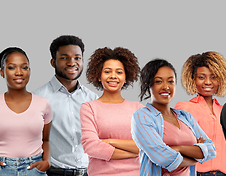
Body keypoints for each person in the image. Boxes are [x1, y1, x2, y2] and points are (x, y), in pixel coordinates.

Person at [132, 59, 216, 176]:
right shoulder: (142, 117)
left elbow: (211, 149)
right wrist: (194, 156)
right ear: (148, 84)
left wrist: (178, 148)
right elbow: (161, 157)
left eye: (171, 81)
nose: (166, 87)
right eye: (158, 81)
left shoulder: (185, 116)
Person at [32, 35, 97, 176]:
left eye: (77, 58)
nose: (71, 62)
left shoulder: (93, 99)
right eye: (64, 58)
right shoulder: (38, 98)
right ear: (52, 62)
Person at [0, 47, 52, 176]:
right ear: (2, 72)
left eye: (24, 67)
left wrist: (47, 162)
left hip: (34, 168)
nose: (19, 72)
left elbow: (46, 140)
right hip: (1, 168)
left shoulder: (43, 104)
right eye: (11, 67)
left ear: (29, 71)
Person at [79, 47, 143, 176]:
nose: (113, 76)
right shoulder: (89, 108)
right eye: (107, 71)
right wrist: (133, 151)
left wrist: (108, 141)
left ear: (126, 78)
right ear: (98, 76)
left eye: (119, 72)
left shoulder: (138, 109)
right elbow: (91, 146)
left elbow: (147, 146)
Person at [174, 51, 226, 176]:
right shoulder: (184, 108)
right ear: (193, 79)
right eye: (201, 77)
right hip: (197, 172)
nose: (208, 82)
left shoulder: (225, 110)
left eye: (213, 77)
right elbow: (175, 143)